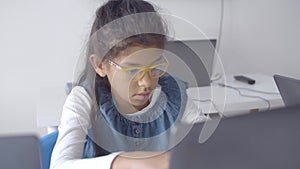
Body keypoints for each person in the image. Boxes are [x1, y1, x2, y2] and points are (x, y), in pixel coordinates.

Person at [50, 0, 208, 169]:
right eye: (132, 70)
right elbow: (59, 165)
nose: (146, 83)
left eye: (155, 67)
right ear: (100, 64)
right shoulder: (84, 99)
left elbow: (212, 145)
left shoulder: (173, 96)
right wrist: (126, 162)